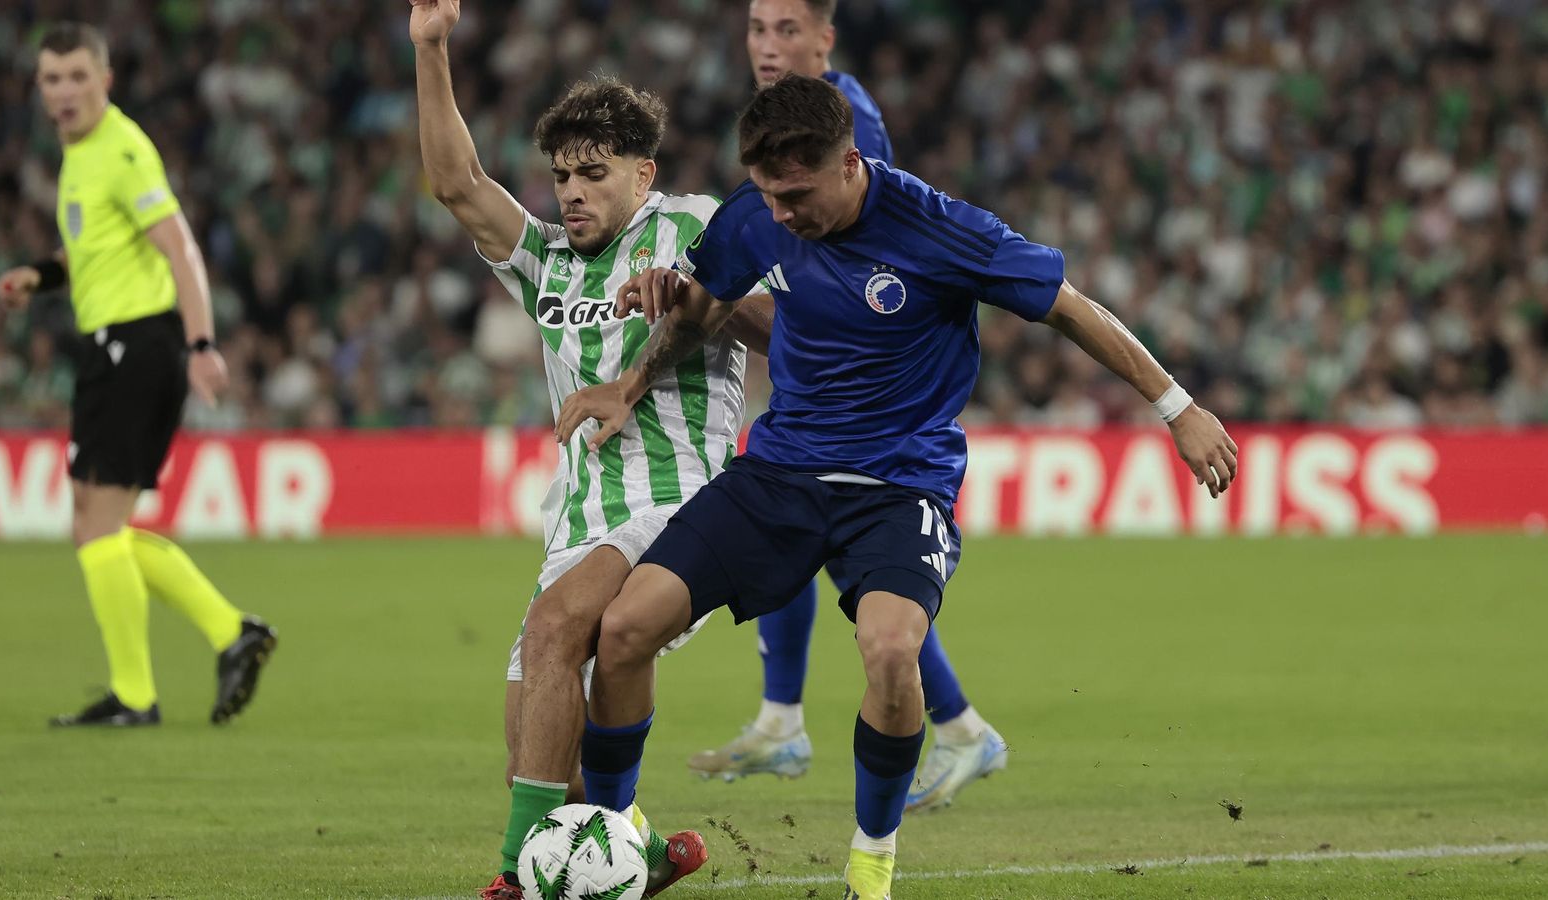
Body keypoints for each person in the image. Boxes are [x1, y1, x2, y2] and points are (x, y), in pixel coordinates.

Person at [556, 74, 1237, 898]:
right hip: (779, 472)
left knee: (888, 650)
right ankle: (613, 847)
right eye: (769, 195)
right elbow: (704, 306)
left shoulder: (940, 228)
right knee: (625, 628)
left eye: (797, 195)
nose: (782, 215)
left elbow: (1068, 309)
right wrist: (629, 386)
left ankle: (872, 862)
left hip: (899, 484)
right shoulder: (755, 214)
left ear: (850, 163)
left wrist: (1177, 406)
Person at [408, 2, 761, 896]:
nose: (572, 191)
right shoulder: (548, 261)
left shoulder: (694, 226)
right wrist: (433, 46)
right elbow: (456, 184)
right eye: (562, 174)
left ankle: (510, 880)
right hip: (580, 518)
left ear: (644, 173)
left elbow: (777, 325)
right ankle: (641, 853)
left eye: (593, 174)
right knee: (539, 754)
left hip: (682, 496)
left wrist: (691, 293)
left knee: (560, 627)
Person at [685, 0, 1009, 813]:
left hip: (869, 397)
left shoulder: (847, 119)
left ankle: (902, 724)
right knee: (817, 536)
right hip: (822, 382)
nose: (767, 46)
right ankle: (810, 719)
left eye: (787, 30)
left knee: (827, 537)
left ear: (826, 38)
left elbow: (861, 265)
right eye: (757, 29)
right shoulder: (783, 121)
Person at [0, 22, 276, 729]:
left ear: (105, 80)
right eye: (52, 79)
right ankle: (220, 639)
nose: (64, 92)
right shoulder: (81, 155)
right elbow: (93, 246)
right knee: (96, 526)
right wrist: (44, 275)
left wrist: (202, 341)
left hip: (139, 347)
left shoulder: (121, 150)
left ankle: (143, 690)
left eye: (78, 78)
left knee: (98, 527)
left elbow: (180, 247)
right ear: (39, 86)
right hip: (111, 348)